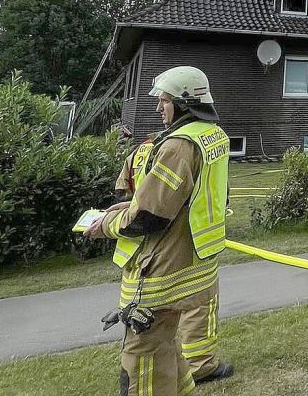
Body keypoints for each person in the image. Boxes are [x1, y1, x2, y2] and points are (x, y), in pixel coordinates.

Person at [86, 66, 232, 396]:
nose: (158, 108)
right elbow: (187, 199)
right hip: (195, 261)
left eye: (164, 100)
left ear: (182, 102)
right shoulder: (212, 136)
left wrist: (105, 226)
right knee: (167, 342)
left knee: (144, 352)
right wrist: (125, 207)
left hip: (160, 268)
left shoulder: (178, 146)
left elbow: (149, 217)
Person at [113, 129, 232, 385]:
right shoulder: (189, 145)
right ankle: (200, 365)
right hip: (182, 249)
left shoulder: (144, 150)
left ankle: (193, 368)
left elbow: (126, 190)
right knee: (184, 318)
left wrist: (126, 210)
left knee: (163, 334)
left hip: (149, 252)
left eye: (164, 102)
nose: (159, 108)